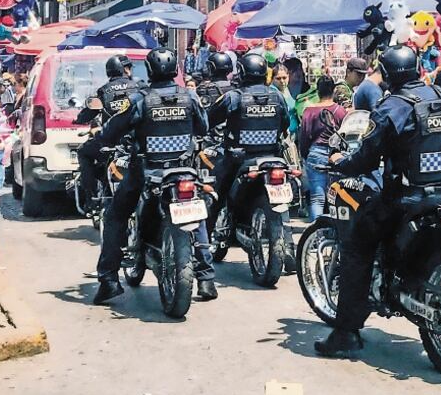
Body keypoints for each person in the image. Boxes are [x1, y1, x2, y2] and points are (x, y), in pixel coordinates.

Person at [314, 45, 441, 357]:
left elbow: (367, 156)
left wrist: (342, 161)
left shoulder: (393, 106)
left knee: (357, 246)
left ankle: (346, 332)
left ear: (389, 74)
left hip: (406, 198)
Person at [93, 48, 218, 305]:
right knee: (197, 214)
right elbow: (204, 127)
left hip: (147, 172)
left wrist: (104, 139)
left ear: (149, 71)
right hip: (185, 170)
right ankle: (206, 279)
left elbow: (113, 129)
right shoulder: (190, 96)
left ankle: (108, 279)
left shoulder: (140, 100)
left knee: (115, 215)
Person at [204, 53, 290, 238]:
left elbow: (208, 121)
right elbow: (285, 124)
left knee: (215, 196)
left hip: (238, 159)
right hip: (273, 157)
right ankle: (288, 243)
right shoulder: (277, 96)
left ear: (242, 72)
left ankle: (201, 252)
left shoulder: (234, 97)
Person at [75, 55, 141, 211]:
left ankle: (91, 198)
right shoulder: (139, 87)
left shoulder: (104, 91)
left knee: (83, 153)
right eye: (129, 67)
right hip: (136, 141)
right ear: (125, 69)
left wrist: (79, 119)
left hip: (111, 141)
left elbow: (87, 114)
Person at [298, 75, 347, 221]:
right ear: (333, 90)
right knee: (337, 197)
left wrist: (306, 156)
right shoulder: (340, 111)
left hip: (315, 154)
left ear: (317, 91)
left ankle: (316, 235)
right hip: (337, 156)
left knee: (317, 198)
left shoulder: (308, 111)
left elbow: (304, 138)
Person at [271, 64, 299, 135]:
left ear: (288, 77)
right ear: (272, 79)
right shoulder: (272, 93)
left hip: (292, 134)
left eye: (284, 78)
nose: (282, 81)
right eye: (278, 78)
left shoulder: (286, 89)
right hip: (281, 135)